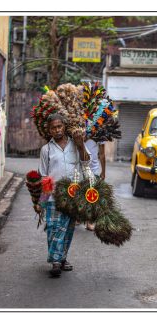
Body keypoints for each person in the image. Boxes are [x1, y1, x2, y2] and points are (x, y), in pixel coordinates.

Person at [36, 114, 90, 277]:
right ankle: (56, 262)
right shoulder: (46, 150)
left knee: (67, 230)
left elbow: (86, 163)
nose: (57, 130)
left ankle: (62, 258)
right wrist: (42, 201)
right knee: (54, 229)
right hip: (54, 196)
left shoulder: (76, 144)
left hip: (74, 195)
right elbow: (44, 176)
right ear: (49, 130)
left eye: (59, 126)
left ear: (64, 127)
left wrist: (80, 146)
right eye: (53, 127)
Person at [83, 138, 106, 231]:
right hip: (78, 166)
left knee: (91, 194)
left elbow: (102, 154)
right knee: (78, 191)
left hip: (93, 169)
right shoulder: (78, 126)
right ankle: (77, 217)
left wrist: (103, 171)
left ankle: (90, 220)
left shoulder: (100, 131)